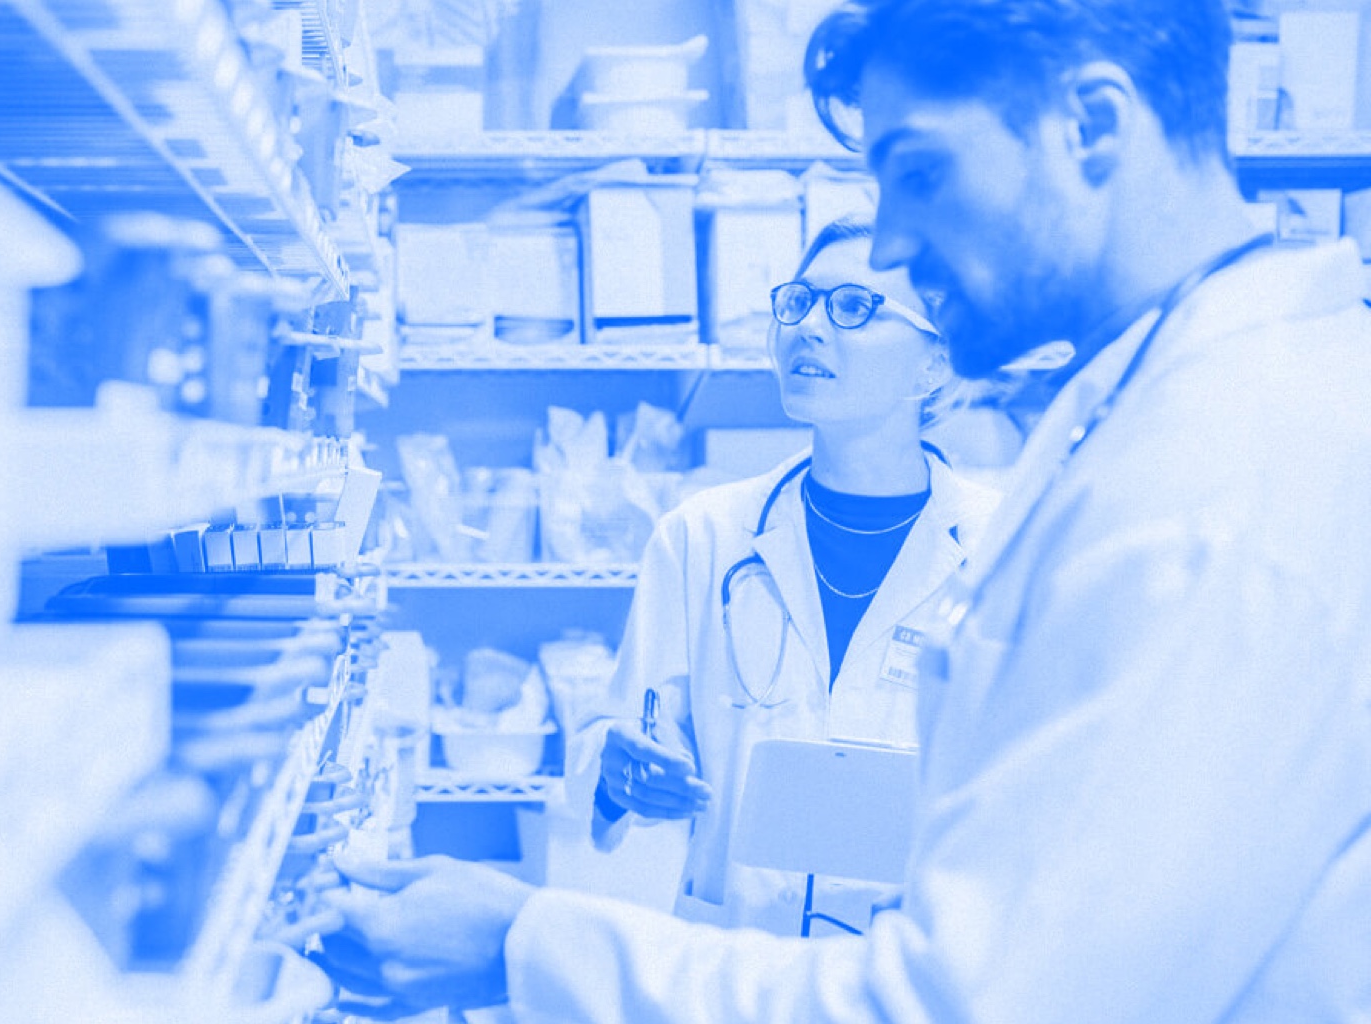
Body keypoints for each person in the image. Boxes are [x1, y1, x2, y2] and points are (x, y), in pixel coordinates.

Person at [319, 2, 1371, 1021]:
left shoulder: (1230, 476)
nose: (893, 242)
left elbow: (968, 1003)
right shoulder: (1166, 408)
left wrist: (521, 942)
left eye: (920, 172)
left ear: (1091, 125)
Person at [573, 215, 999, 937]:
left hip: (910, 966)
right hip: (735, 964)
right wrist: (619, 775)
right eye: (799, 302)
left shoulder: (1000, 546)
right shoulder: (702, 537)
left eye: (854, 308)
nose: (809, 328)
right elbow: (622, 734)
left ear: (934, 363)